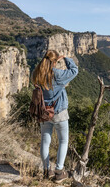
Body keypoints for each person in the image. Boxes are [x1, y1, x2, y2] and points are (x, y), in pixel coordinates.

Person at [31, 50, 78, 183]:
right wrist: (67, 59)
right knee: (63, 141)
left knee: (45, 141)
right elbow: (74, 71)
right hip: (59, 112)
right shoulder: (57, 74)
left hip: (44, 112)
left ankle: (47, 170)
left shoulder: (37, 73)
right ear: (55, 61)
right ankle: (58, 172)